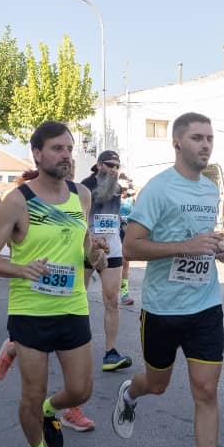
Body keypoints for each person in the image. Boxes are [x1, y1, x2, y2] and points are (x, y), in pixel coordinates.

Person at [112, 112, 224, 447]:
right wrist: (186, 247)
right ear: (177, 143)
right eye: (197, 137)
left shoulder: (210, 190)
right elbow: (131, 247)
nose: (206, 145)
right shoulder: (158, 189)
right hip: (163, 309)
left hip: (205, 305)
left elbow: (203, 241)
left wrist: (221, 249)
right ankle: (130, 393)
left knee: (206, 391)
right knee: (157, 384)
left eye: (210, 138)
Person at [0, 121, 108, 447]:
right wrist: (21, 269)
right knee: (32, 394)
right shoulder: (18, 200)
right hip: (31, 310)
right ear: (37, 154)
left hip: (72, 306)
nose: (66, 155)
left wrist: (94, 254)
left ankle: (52, 412)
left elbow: (84, 249)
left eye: (69, 148)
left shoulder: (82, 195)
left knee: (81, 390)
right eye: (57, 148)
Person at [82, 151, 133, 372]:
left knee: (112, 301)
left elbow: (112, 215)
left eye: (117, 166)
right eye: (110, 165)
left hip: (112, 249)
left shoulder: (117, 189)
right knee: (77, 298)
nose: (114, 169)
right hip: (85, 248)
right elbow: (78, 218)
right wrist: (91, 240)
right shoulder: (83, 187)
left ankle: (110, 353)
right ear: (98, 165)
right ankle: (72, 345)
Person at [118, 182, 135, 305]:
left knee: (125, 265)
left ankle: (124, 294)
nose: (123, 191)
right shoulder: (109, 197)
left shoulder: (131, 200)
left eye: (124, 189)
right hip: (112, 232)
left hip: (125, 233)